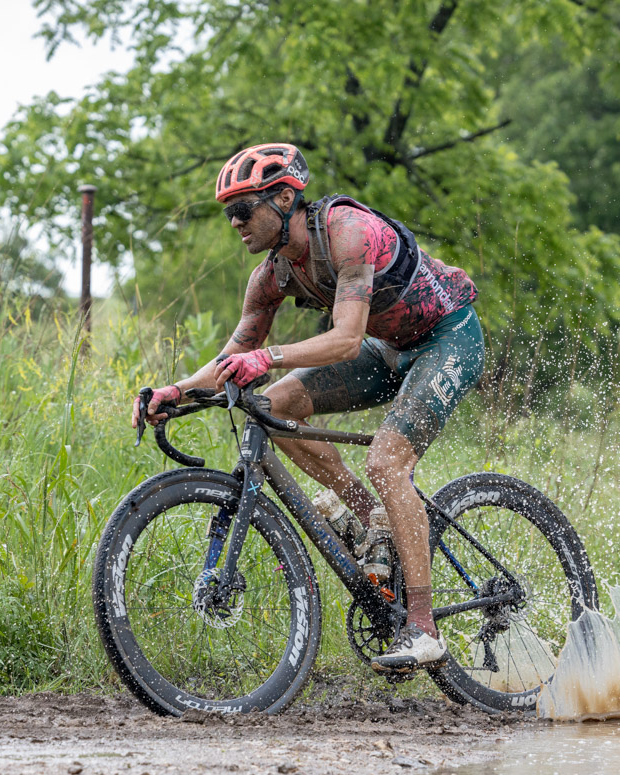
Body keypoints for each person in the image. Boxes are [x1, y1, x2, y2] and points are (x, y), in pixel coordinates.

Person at [130, 143, 484, 672]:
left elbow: (343, 339)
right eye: (228, 213)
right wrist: (174, 393)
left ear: (284, 198)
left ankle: (424, 628)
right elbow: (234, 356)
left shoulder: (347, 233)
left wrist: (269, 356)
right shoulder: (270, 276)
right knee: (274, 404)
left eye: (243, 210)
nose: (234, 223)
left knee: (387, 462)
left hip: (446, 338)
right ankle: (371, 521)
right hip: (387, 349)